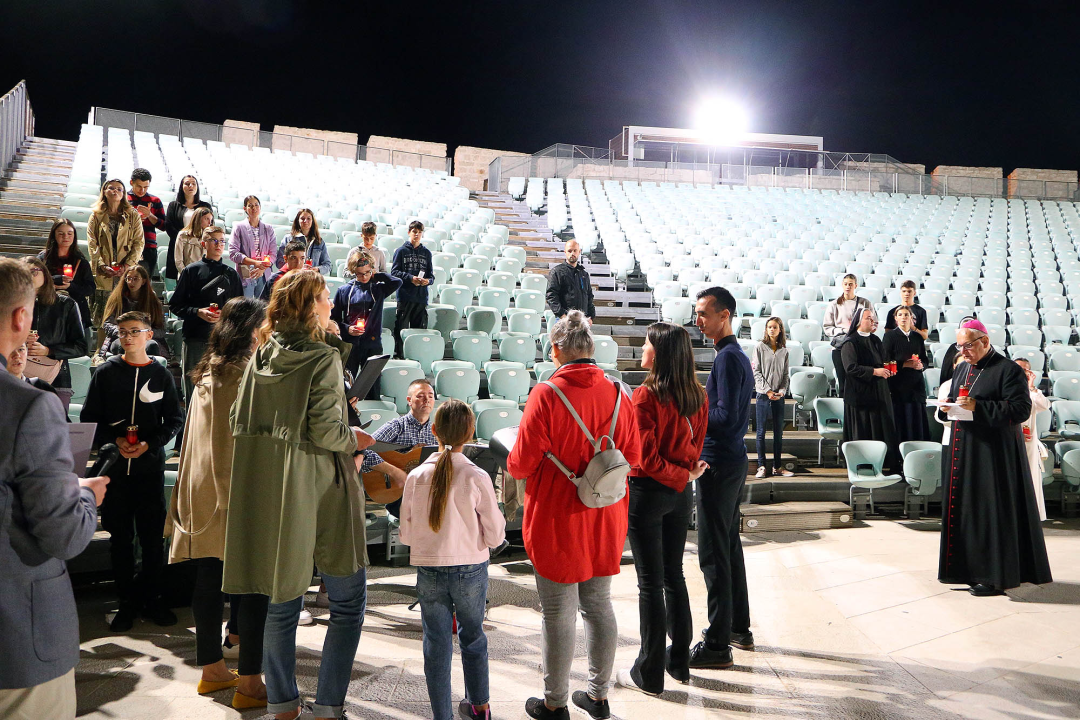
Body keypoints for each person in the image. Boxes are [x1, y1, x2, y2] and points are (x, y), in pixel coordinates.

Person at [221, 268, 375, 720]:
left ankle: (283, 705)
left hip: (271, 491)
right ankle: (328, 708)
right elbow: (328, 430)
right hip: (320, 489)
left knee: (280, 601)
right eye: (326, 297)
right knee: (348, 602)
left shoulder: (263, 353)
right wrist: (356, 440)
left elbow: (238, 418)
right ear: (310, 307)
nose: (333, 304)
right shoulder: (324, 359)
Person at [506, 311, 641, 720]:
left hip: (558, 517)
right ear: (593, 349)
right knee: (599, 604)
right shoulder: (620, 391)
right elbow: (632, 459)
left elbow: (519, 464)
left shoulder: (546, 394)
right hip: (606, 514)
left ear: (557, 349)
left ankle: (555, 703)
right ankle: (598, 696)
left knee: (558, 612)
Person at [0, 257, 108, 720]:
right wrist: (82, 494)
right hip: (15, 642)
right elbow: (64, 534)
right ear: (21, 318)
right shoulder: (28, 407)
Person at [165, 297, 269, 710]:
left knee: (209, 579)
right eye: (264, 326)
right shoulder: (246, 373)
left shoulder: (209, 370)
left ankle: (211, 671)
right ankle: (249, 684)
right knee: (255, 585)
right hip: (236, 493)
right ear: (249, 330)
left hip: (204, 490)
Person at [614, 322, 708, 697]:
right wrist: (685, 475)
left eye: (648, 345)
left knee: (650, 583)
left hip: (649, 494)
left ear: (662, 353)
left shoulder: (645, 396)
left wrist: (676, 475)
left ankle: (649, 673)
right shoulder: (698, 395)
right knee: (674, 577)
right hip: (681, 491)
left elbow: (646, 458)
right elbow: (695, 447)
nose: (642, 350)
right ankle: (679, 663)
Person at [399, 399, 506, 720]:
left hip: (429, 569)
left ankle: (441, 714)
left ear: (433, 430)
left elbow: (405, 534)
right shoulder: (476, 476)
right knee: (473, 636)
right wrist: (486, 543)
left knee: (436, 642)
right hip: (470, 569)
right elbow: (496, 531)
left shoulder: (416, 476)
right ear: (471, 432)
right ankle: (479, 706)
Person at [81, 310, 185, 630]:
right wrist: (114, 440)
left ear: (148, 336)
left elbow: (175, 420)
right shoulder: (107, 372)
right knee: (120, 539)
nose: (127, 337)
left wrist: (150, 444)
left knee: (153, 538)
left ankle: (152, 599)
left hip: (149, 469)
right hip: (114, 470)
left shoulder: (161, 374)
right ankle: (126, 602)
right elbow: (89, 420)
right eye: (123, 332)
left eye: (134, 331)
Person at [937, 320, 1052, 596]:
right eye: (959, 346)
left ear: (985, 342)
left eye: (967, 345)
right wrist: (947, 408)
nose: (963, 351)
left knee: (989, 512)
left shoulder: (1008, 370)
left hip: (993, 455)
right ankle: (964, 569)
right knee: (966, 511)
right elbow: (956, 400)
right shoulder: (963, 368)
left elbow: (1021, 409)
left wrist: (979, 406)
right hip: (963, 451)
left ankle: (992, 577)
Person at [688, 287, 755, 671]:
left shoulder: (729, 358)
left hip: (718, 463)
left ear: (724, 315)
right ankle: (737, 627)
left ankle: (716, 643)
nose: (698, 320)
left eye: (703, 314)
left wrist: (694, 413)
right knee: (728, 548)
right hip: (729, 461)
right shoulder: (729, 356)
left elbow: (727, 418)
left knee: (714, 554)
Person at [171, 226, 244, 404]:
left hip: (222, 341)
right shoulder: (191, 271)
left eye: (222, 241)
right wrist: (198, 312)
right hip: (195, 338)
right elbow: (175, 305)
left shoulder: (231, 274)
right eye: (214, 240)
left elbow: (240, 310)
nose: (219, 245)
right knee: (194, 390)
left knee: (221, 392)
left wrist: (224, 315)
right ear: (204, 244)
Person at [358, 379, 437, 518]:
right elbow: (365, 449)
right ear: (409, 400)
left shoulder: (436, 431)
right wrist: (395, 472)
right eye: (420, 396)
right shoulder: (396, 426)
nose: (427, 400)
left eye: (431, 396)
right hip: (397, 494)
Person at [840, 307, 900, 472]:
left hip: (879, 391)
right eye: (868, 318)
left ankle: (883, 462)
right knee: (864, 428)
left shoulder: (875, 340)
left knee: (882, 427)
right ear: (858, 321)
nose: (872, 321)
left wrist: (887, 367)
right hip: (861, 394)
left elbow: (882, 360)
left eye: (873, 318)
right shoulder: (850, 342)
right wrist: (875, 371)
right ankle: (863, 464)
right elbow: (850, 368)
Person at [331, 248, 401, 383]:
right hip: (351, 343)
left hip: (372, 343)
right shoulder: (344, 290)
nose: (364, 277)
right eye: (360, 274)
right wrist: (347, 329)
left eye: (367, 273)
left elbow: (397, 282)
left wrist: (377, 275)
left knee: (371, 384)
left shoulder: (378, 289)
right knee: (347, 382)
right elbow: (333, 320)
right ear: (353, 272)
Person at [20, 256, 87, 388]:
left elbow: (81, 347)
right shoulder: (10, 304)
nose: (29, 275)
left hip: (56, 379)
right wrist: (20, 340)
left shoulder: (65, 304)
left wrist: (48, 350)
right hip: (16, 377)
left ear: (45, 274)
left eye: (34, 271)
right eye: (23, 272)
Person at [87, 178, 144, 326]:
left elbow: (139, 243)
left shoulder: (133, 215)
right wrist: (100, 264)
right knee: (103, 316)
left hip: (126, 270)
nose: (115, 191)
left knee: (124, 314)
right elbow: (92, 244)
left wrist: (127, 266)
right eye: (111, 188)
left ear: (124, 193)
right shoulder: (96, 216)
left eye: (119, 189)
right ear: (104, 192)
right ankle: (101, 347)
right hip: (104, 270)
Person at [96, 265, 167, 362]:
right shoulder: (117, 298)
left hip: (146, 338)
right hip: (121, 337)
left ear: (144, 281)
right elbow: (107, 324)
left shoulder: (152, 301)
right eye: (128, 278)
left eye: (135, 279)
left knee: (151, 346)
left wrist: (142, 334)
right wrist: (123, 332)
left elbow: (161, 329)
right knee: (123, 346)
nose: (131, 282)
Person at [38, 218, 95, 338]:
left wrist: (71, 286)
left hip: (73, 308)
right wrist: (53, 280)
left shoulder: (81, 260)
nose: (66, 237)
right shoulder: (44, 258)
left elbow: (90, 288)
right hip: (47, 307)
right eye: (61, 233)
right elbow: (33, 279)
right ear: (54, 235)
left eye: (70, 233)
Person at [882, 305, 930, 445]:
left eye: (906, 315)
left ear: (912, 318)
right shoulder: (889, 336)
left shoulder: (917, 337)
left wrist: (922, 366)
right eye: (901, 315)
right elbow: (885, 360)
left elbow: (925, 359)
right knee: (901, 421)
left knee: (917, 421)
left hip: (916, 386)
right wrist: (904, 364)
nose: (904, 317)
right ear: (896, 319)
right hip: (898, 386)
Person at [751, 316, 791, 479]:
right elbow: (756, 372)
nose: (772, 329)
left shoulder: (784, 350)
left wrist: (782, 390)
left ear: (780, 329)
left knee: (778, 432)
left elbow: (785, 374)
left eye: (775, 327)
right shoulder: (760, 347)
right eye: (769, 327)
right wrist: (768, 391)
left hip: (779, 395)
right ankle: (761, 466)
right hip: (763, 395)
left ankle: (777, 466)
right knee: (761, 432)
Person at [823, 274, 872, 396]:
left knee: (860, 381)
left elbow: (873, 323)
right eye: (845, 284)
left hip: (860, 345)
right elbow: (827, 327)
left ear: (855, 285)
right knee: (843, 381)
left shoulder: (864, 303)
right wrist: (843, 330)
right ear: (842, 285)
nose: (848, 286)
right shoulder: (834, 304)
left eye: (850, 284)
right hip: (841, 346)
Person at [391, 220, 434, 358]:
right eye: (414, 232)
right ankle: (400, 355)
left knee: (419, 330)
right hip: (405, 296)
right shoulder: (401, 251)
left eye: (419, 232)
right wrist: (411, 278)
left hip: (421, 297)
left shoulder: (427, 253)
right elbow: (394, 272)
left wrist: (427, 281)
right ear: (409, 232)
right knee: (401, 328)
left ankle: (416, 356)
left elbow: (431, 276)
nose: (417, 235)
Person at [1016, 358, 1050, 522]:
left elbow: (1044, 405)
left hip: (1027, 442)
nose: (1021, 372)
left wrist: (1031, 386)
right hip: (1007, 439)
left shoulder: (1030, 392)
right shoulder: (1001, 387)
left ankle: (1030, 517)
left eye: (1024, 370)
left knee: (1029, 479)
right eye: (1018, 368)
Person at [164, 174, 213, 280]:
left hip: (199, 246)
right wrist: (184, 239)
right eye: (187, 184)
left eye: (193, 183)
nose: (191, 186)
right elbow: (169, 226)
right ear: (182, 187)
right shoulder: (173, 205)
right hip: (179, 245)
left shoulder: (205, 206)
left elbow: (210, 228)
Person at [228, 195, 277, 299]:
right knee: (245, 306)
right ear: (245, 208)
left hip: (264, 273)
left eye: (256, 205)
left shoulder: (269, 228)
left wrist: (262, 268)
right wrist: (255, 263)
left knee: (263, 306)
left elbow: (273, 254)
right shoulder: (239, 227)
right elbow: (233, 253)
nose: (254, 208)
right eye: (250, 206)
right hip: (246, 271)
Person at [128, 168, 167, 278]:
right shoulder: (123, 199)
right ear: (131, 183)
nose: (142, 190)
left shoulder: (155, 201)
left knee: (144, 282)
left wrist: (150, 215)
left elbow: (164, 226)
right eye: (139, 186)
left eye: (146, 187)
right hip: (127, 245)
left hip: (148, 246)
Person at [546, 238, 594, 321]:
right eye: (569, 251)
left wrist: (590, 317)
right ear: (565, 252)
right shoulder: (557, 272)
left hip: (582, 321)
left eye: (575, 250)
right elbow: (551, 295)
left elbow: (589, 296)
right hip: (564, 320)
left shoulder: (584, 274)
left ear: (579, 252)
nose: (572, 253)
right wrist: (562, 315)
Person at [276, 208, 331, 275]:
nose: (305, 221)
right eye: (302, 218)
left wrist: (317, 269)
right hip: (292, 277)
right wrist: (295, 269)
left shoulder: (319, 242)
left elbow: (327, 265)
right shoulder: (288, 239)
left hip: (311, 279)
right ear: (297, 221)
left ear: (312, 221)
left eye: (308, 218)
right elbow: (279, 261)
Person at [174, 206, 215, 275]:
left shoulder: (209, 238)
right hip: (186, 275)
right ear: (198, 218)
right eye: (206, 219)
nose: (209, 223)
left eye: (210, 220)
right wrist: (186, 274)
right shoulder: (183, 235)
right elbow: (178, 260)